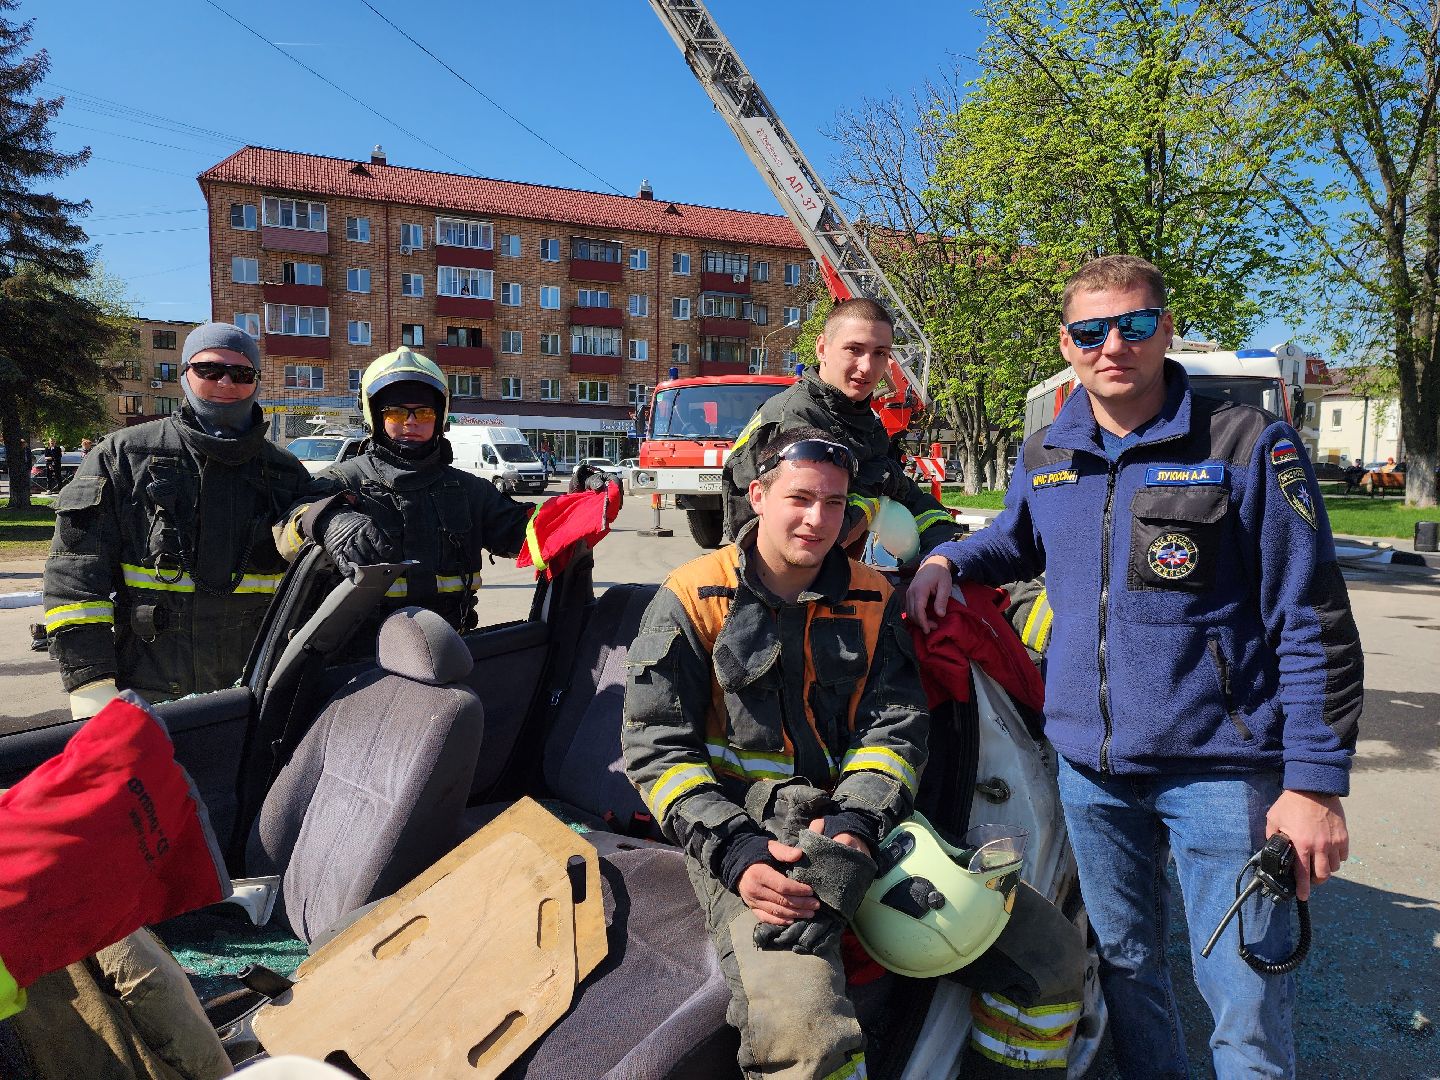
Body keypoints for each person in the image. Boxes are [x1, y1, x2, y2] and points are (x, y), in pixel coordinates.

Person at [908, 255, 1364, 1079]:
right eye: (1090, 330)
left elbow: (1314, 619)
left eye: (1134, 324)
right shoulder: (1048, 449)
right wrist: (946, 561)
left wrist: (1315, 786)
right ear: (1067, 344)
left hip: (1222, 774)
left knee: (1245, 1001)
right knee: (1125, 972)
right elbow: (1016, 539)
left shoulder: (1247, 442)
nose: (1112, 344)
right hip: (1092, 772)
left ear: (1167, 330)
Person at [623, 428, 1083, 1079]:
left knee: (1051, 960)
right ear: (758, 495)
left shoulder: (873, 597)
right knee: (805, 1040)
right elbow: (656, 748)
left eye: (834, 503)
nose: (817, 519)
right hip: (750, 840)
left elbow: (893, 732)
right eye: (799, 498)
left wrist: (856, 823)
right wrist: (735, 852)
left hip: (857, 829)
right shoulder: (693, 597)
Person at [42, 323, 311, 718]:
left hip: (254, 690)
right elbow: (74, 578)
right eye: (209, 370)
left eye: (241, 373)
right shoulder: (123, 456)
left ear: (255, 382)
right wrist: (91, 683)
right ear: (185, 374)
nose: (225, 381)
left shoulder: (286, 473)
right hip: (147, 690)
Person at [276, 347, 533, 644]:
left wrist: (582, 504)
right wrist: (324, 521)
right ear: (375, 416)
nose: (411, 422)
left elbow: (524, 534)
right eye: (396, 412)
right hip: (357, 660)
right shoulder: (340, 481)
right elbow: (288, 528)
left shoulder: (469, 490)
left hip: (448, 649)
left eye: (423, 412)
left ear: (439, 417)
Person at [721, 298, 960, 558]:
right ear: (822, 348)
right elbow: (818, 528)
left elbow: (905, 493)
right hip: (781, 577)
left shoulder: (863, 419)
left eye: (880, 353)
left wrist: (945, 547)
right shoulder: (795, 418)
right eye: (854, 349)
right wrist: (877, 481)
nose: (867, 367)